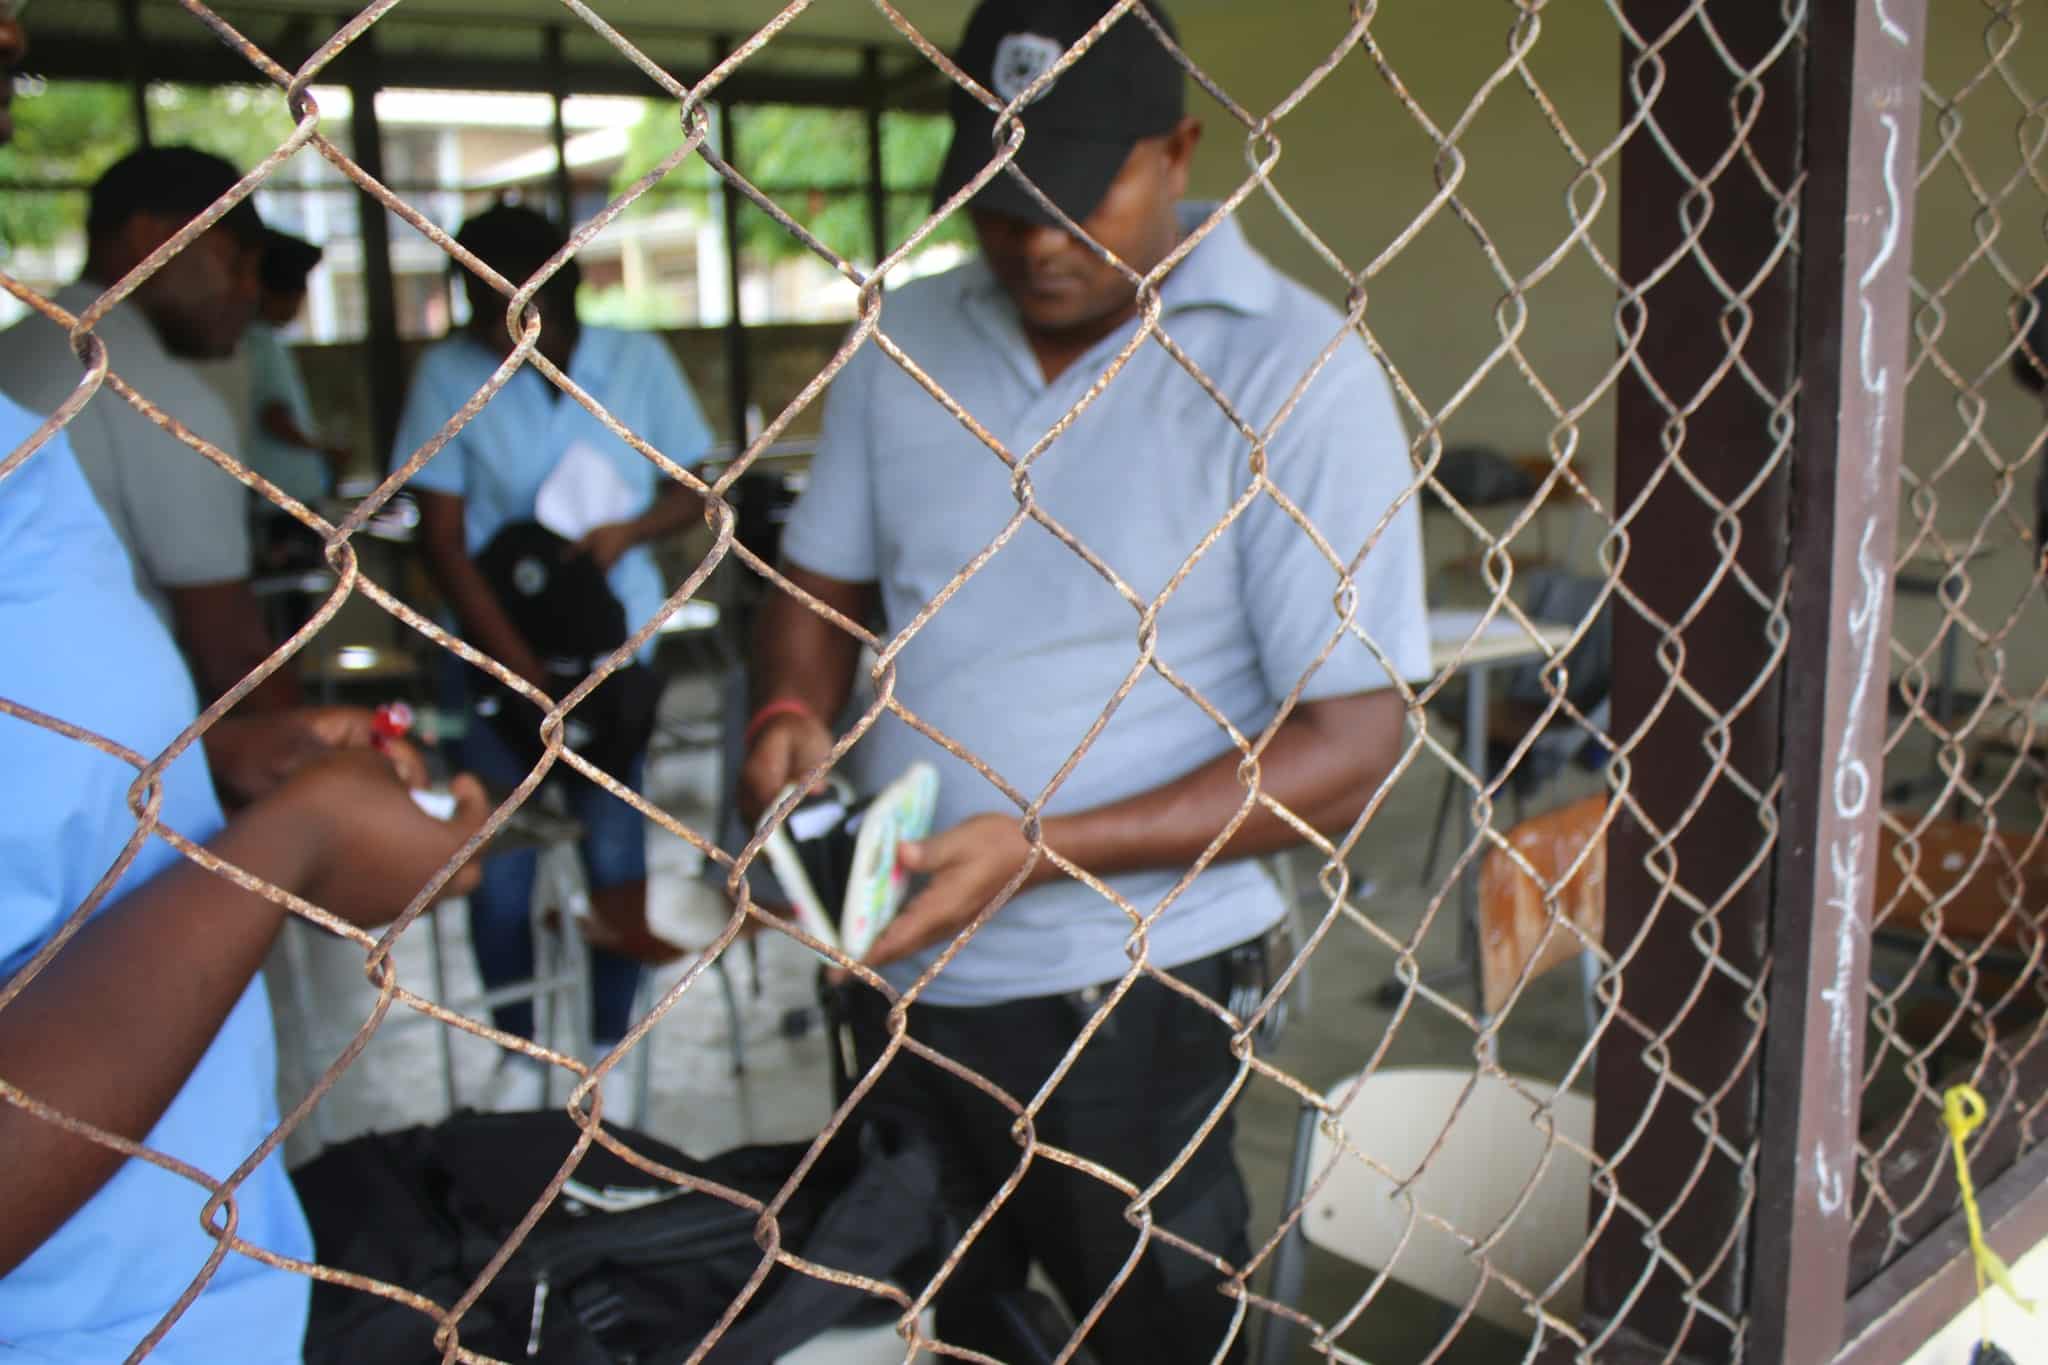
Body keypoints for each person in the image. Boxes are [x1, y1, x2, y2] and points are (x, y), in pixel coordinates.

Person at [739, 1, 1428, 1359]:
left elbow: (1352, 752)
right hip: (896, 960)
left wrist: (1043, 851)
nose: (1033, 241)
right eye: (996, 202)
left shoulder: (1293, 372)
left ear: (1177, 151)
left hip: (1132, 991)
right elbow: (823, 584)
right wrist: (787, 710)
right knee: (928, 1312)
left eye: (1070, 195)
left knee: (1143, 1326)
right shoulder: (906, 342)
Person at [390, 203, 715, 1110]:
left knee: (615, 845)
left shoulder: (634, 362)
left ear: (559, 293)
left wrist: (628, 530)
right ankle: (521, 1053)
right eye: (474, 297)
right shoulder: (449, 375)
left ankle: (610, 1052)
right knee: (501, 860)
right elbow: (444, 541)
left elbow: (699, 487)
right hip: (502, 649)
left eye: (511, 299)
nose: (489, 321)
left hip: (615, 647)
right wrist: (518, 668)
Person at [0, 145, 298, 712]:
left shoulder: (13, 354)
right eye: (235, 262)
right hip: (107, 739)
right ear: (150, 241)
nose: (249, 291)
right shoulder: (160, 398)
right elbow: (230, 654)